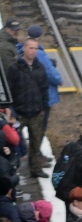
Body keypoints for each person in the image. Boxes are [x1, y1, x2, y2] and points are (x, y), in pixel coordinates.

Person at [7, 41, 47, 177]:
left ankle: (35, 169)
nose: (33, 51)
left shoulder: (40, 67)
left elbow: (44, 89)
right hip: (19, 114)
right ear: (24, 48)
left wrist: (43, 107)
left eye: (36, 48)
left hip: (36, 113)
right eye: (31, 48)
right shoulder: (14, 68)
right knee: (12, 142)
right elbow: (9, 90)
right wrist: (11, 111)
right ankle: (11, 170)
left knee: (36, 143)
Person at [23, 27, 61, 148]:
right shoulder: (38, 53)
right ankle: (35, 152)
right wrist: (59, 80)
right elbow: (49, 73)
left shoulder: (22, 48)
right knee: (40, 126)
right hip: (41, 96)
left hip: (28, 95)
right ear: (39, 37)